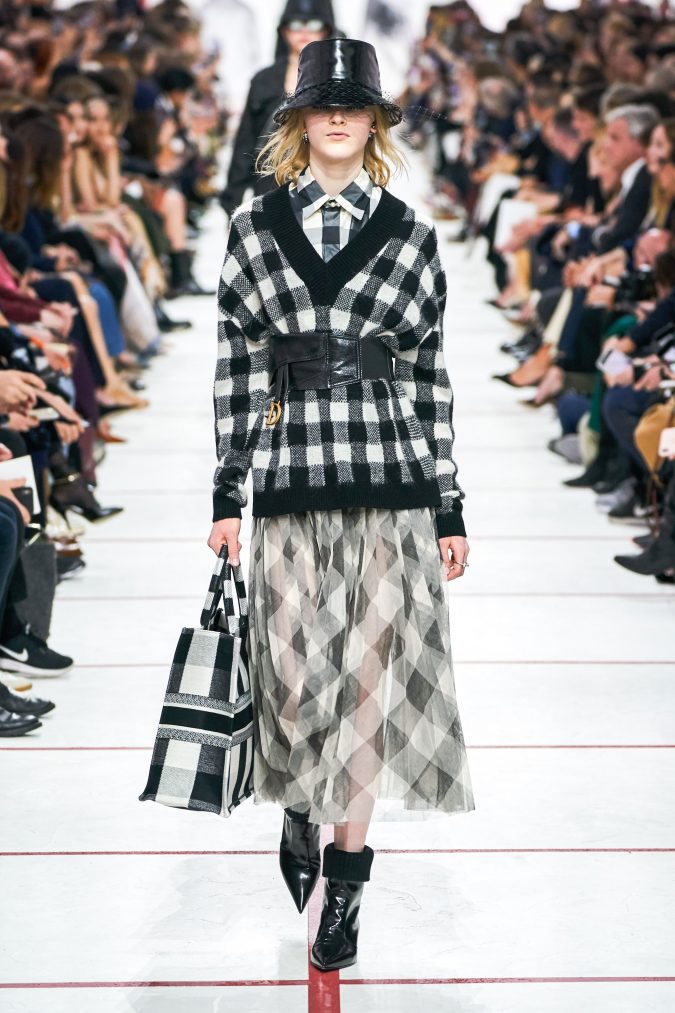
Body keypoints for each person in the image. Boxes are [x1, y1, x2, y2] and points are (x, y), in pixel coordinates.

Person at [208, 38, 474, 973]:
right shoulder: (252, 228)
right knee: (291, 681)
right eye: (320, 105)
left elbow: (429, 377)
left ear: (372, 123)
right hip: (289, 482)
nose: (335, 118)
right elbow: (238, 364)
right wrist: (226, 488)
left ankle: (347, 885)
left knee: (364, 692)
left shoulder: (409, 234)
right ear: (296, 121)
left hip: (388, 486)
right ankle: (298, 800)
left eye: (351, 106)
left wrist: (447, 504)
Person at [218, 0, 335, 218]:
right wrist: (232, 202)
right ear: (283, 30)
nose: (304, 31)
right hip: (270, 185)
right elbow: (246, 141)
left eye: (314, 24)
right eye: (296, 24)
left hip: (325, 185)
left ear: (327, 30)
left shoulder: (340, 81)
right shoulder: (264, 80)